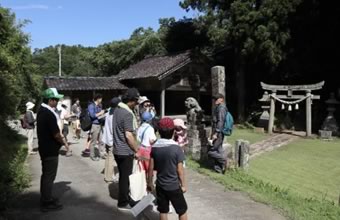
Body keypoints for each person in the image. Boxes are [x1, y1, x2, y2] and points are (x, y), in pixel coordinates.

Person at [147, 117, 188, 220]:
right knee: (182, 210)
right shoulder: (176, 148)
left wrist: (150, 182)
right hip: (174, 186)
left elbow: (150, 168)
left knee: (163, 210)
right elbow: (180, 170)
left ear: (159, 132)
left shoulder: (155, 148)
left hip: (160, 185)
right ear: (174, 131)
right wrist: (183, 185)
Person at [36, 88, 69, 212]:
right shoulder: (48, 113)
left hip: (45, 147)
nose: (57, 102)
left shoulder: (43, 111)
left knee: (46, 175)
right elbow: (56, 134)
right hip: (49, 149)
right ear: (50, 100)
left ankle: (46, 197)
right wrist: (64, 143)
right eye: (55, 100)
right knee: (49, 176)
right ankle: (46, 202)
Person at [112, 88, 140, 210]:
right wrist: (136, 150)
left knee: (123, 176)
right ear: (131, 101)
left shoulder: (117, 110)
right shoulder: (127, 114)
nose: (137, 104)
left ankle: (126, 198)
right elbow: (128, 135)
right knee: (125, 178)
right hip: (125, 150)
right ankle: (123, 202)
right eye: (136, 101)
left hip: (117, 149)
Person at [102, 97, 121, 182]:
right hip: (111, 139)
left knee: (108, 157)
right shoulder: (115, 114)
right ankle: (109, 177)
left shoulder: (109, 112)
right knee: (111, 158)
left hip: (106, 138)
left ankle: (107, 174)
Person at [208, 93, 227, 174]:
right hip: (217, 131)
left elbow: (221, 121)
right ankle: (218, 169)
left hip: (218, 132)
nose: (215, 100)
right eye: (214, 99)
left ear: (221, 99)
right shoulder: (219, 107)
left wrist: (216, 133)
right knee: (218, 150)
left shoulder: (221, 108)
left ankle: (224, 160)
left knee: (211, 151)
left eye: (216, 99)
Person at [88, 94, 106, 161]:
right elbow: (92, 115)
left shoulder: (99, 106)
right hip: (95, 125)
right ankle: (92, 155)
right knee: (94, 141)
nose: (101, 100)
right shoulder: (91, 106)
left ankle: (101, 154)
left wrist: (104, 114)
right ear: (98, 99)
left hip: (100, 124)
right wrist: (101, 113)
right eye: (101, 99)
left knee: (101, 141)